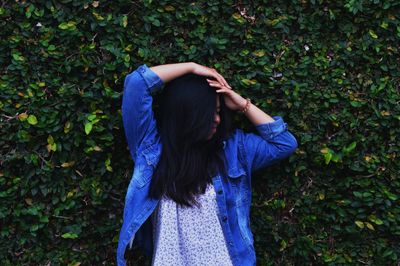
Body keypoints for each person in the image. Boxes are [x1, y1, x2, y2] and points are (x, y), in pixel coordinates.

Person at [117, 62, 298, 266]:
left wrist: (242, 106)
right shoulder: (152, 149)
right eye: (210, 112)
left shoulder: (233, 150)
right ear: (189, 113)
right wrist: (191, 67)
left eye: (220, 111)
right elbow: (136, 84)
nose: (218, 119)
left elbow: (284, 144)